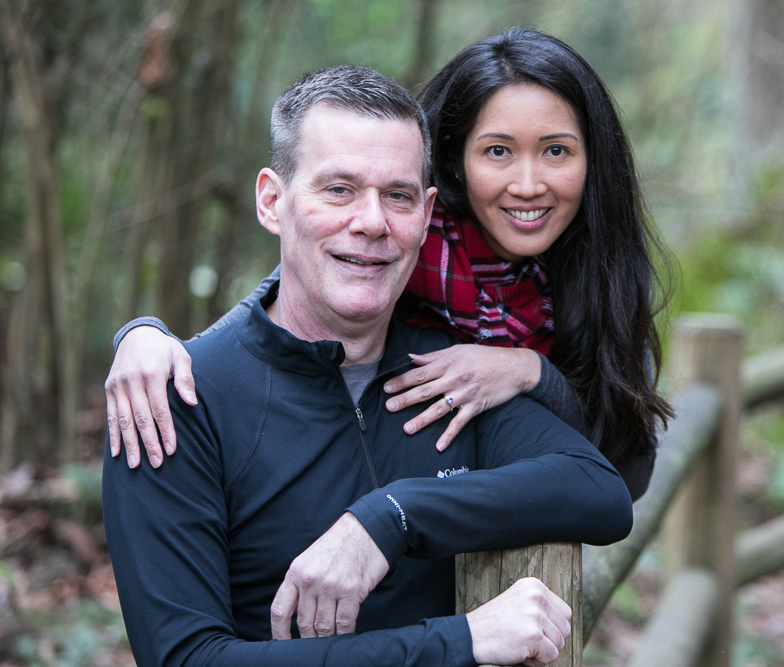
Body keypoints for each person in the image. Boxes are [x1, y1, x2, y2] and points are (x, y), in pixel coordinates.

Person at [102, 64, 633, 666]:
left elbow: (600, 493)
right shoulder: (174, 397)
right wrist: (460, 641)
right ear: (273, 202)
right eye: (339, 190)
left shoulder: (450, 375)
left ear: (427, 213)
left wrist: (392, 516)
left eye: (398, 195)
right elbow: (185, 659)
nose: (373, 222)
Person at [106, 27, 673, 499]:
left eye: (556, 151)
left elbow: (627, 475)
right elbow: (288, 301)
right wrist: (147, 335)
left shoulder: (598, 274)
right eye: (497, 151)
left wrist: (530, 372)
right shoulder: (399, 250)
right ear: (453, 162)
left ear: (592, 162)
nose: (528, 184)